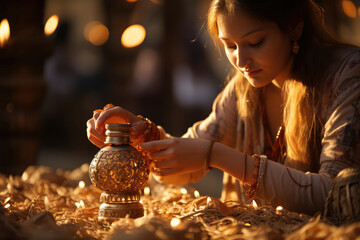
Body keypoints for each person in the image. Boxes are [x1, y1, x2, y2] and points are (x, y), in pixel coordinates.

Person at [87, 0, 360, 216]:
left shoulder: (347, 75)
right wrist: (141, 135)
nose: (241, 60)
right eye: (230, 45)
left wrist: (218, 156)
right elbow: (188, 165)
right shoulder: (244, 89)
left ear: (294, 27)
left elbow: (333, 195)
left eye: (255, 43)